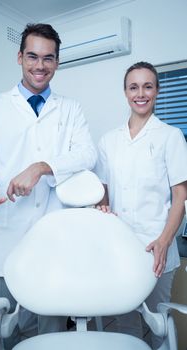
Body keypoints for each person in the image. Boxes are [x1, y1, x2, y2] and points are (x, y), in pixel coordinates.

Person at [0, 23, 97, 348]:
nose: (40, 65)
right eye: (32, 56)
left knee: (50, 330)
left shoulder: (70, 108)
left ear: (57, 62)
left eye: (48, 58)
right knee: (6, 330)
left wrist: (42, 167)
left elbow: (87, 155)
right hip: (2, 237)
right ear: (19, 57)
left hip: (51, 240)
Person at [95, 61, 187, 349]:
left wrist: (163, 241)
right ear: (125, 92)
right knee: (125, 322)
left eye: (148, 86)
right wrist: (103, 208)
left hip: (157, 247)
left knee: (159, 323)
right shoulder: (109, 141)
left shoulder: (170, 136)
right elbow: (103, 191)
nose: (141, 93)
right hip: (121, 247)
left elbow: (180, 197)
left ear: (157, 91)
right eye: (134, 87)